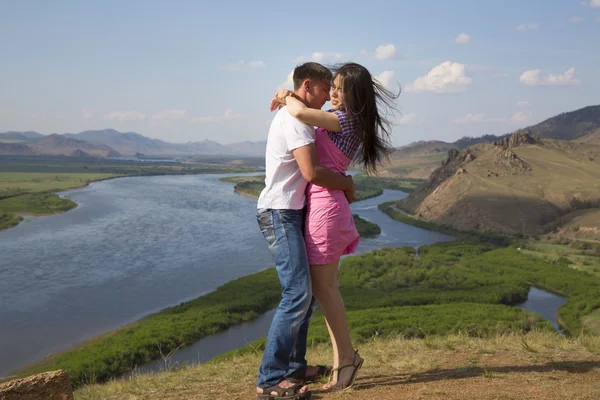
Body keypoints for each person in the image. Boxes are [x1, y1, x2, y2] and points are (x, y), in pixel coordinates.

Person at [269, 62, 398, 391]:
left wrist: (287, 95)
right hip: (322, 206)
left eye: (340, 88)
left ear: (355, 94)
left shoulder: (345, 119)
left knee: (325, 291)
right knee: (322, 292)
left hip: (325, 209)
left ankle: (347, 362)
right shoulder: (346, 119)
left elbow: (300, 115)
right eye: (333, 87)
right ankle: (343, 361)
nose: (334, 94)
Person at [255, 62, 356, 400]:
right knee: (297, 293)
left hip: (290, 211)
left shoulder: (299, 112)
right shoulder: (297, 120)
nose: (329, 97)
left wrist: (286, 96)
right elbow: (311, 172)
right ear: (309, 86)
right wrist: (345, 183)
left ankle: (294, 366)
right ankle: (270, 380)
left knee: (305, 292)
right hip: (280, 212)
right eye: (326, 89)